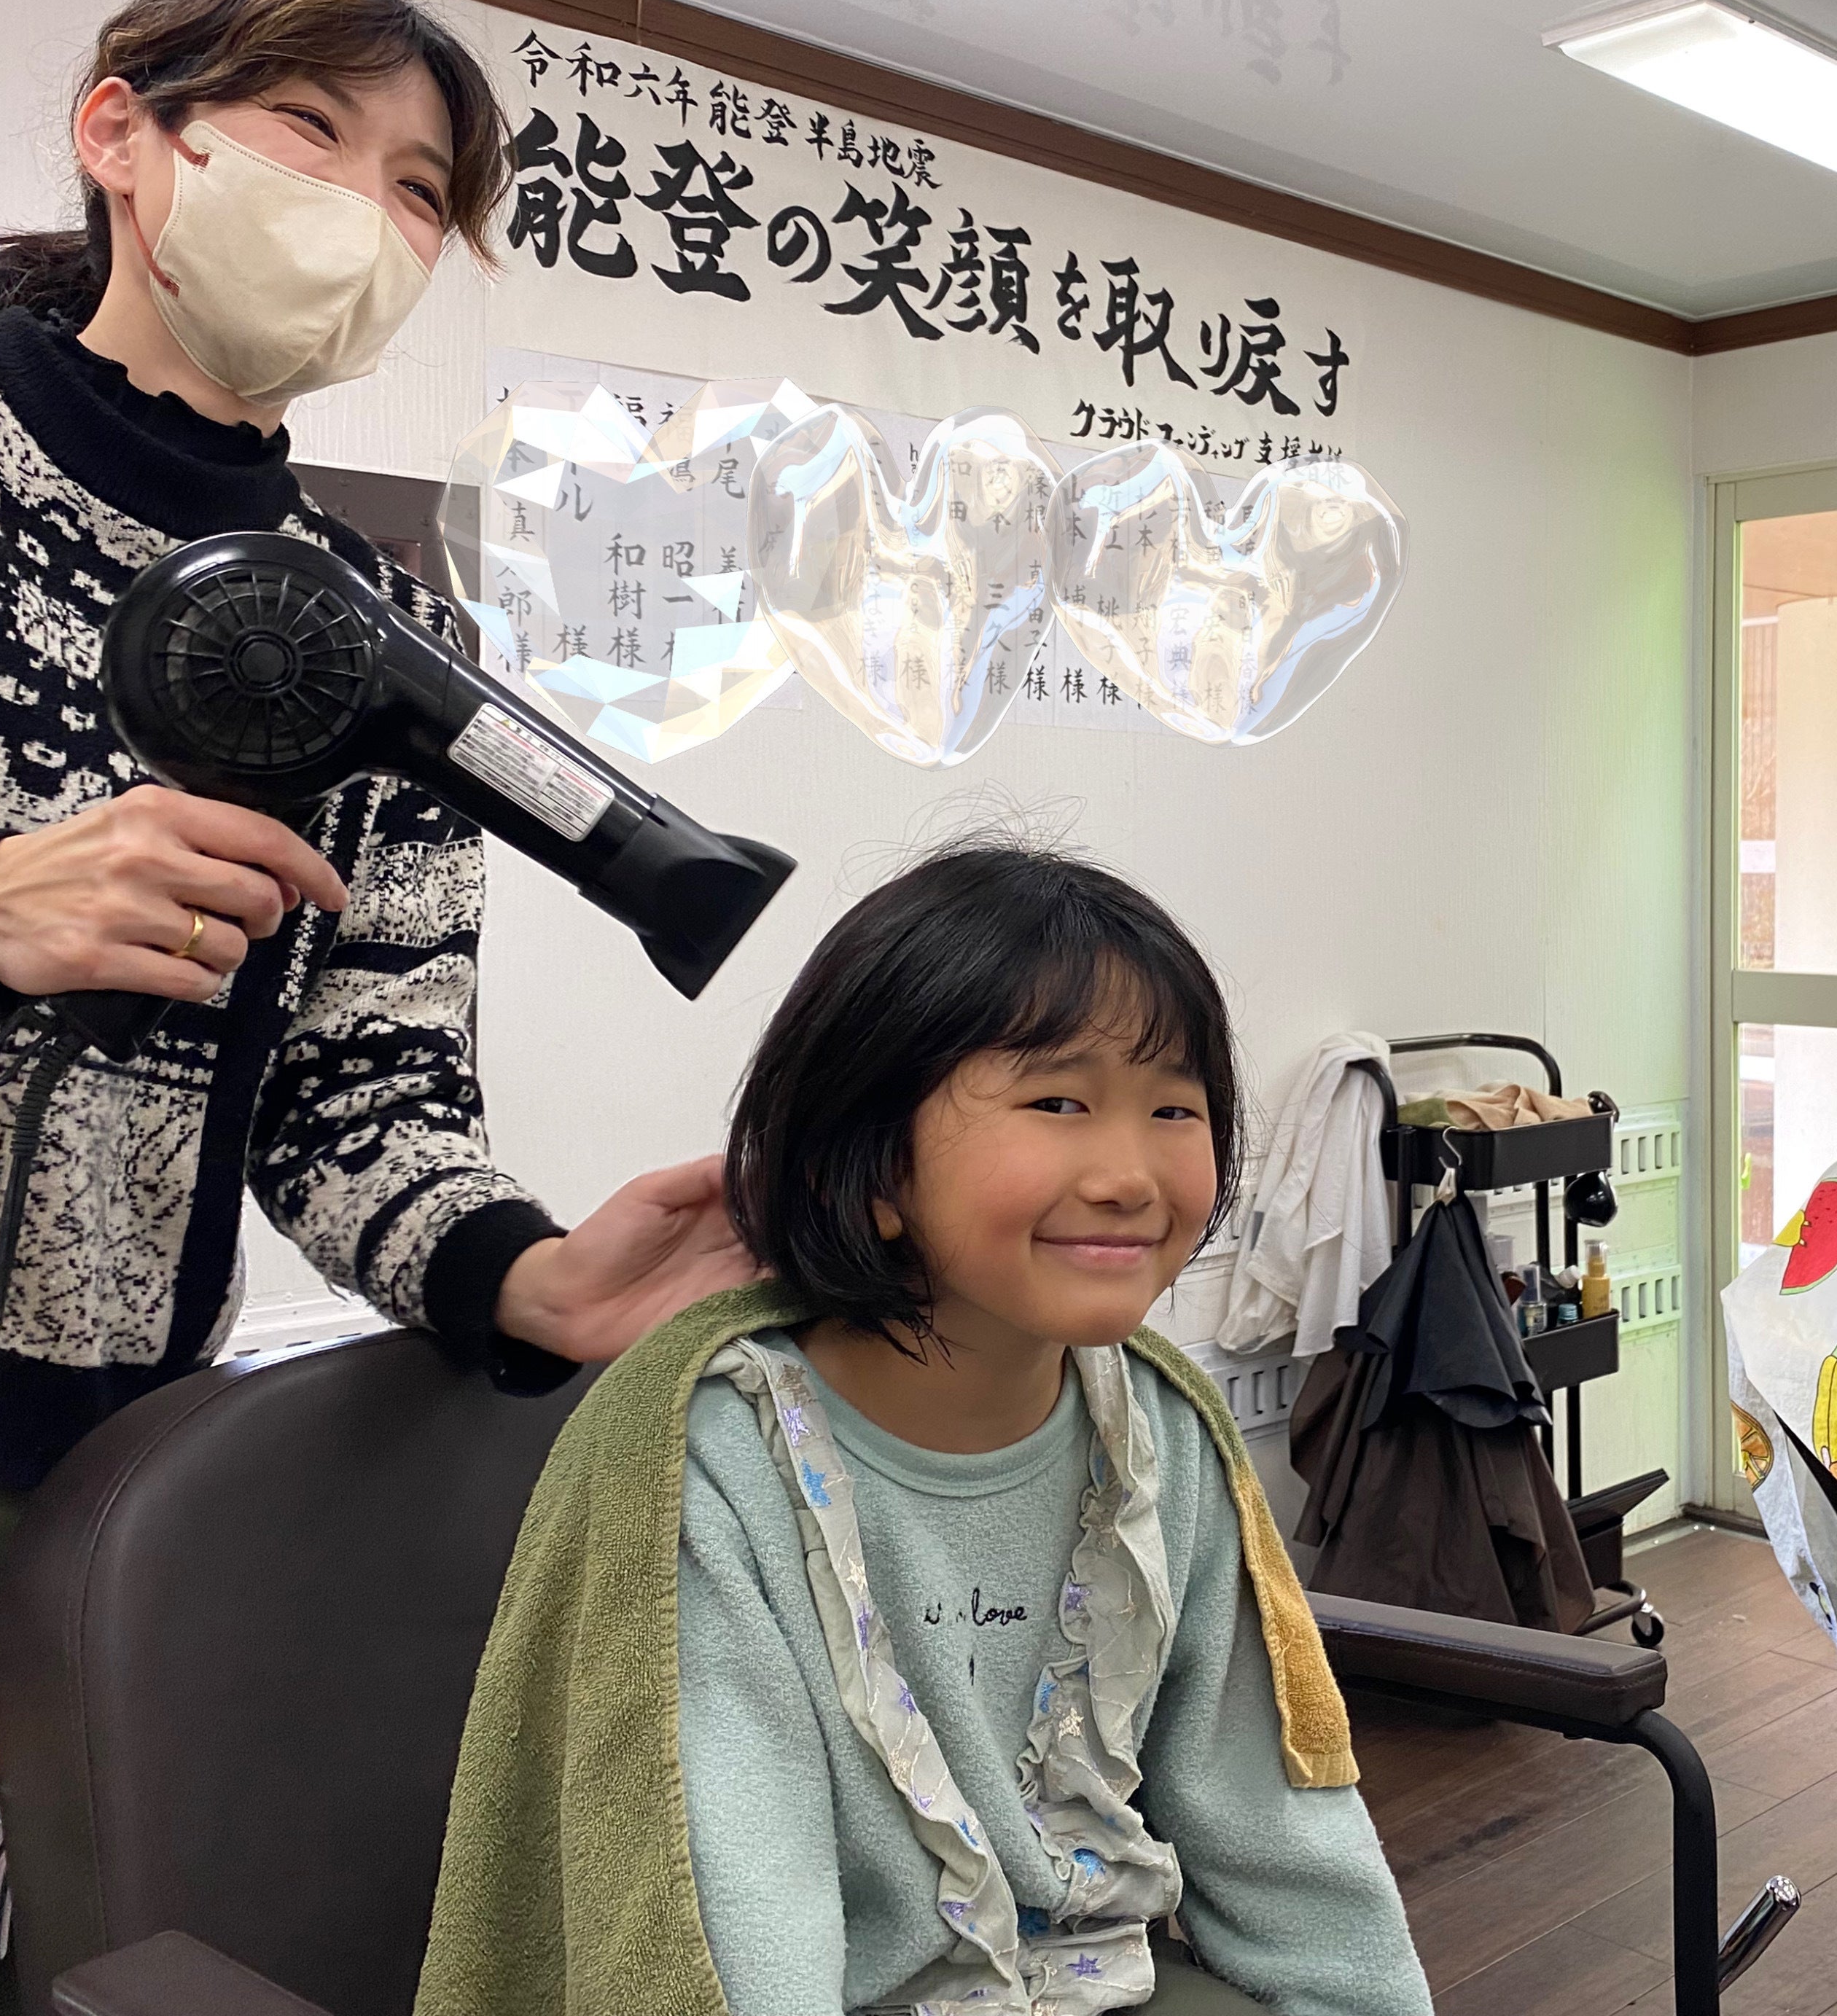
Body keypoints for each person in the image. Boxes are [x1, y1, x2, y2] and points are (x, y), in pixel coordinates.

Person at [0, 0, 756, 2012]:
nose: (366, 217)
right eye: (313, 132)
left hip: (90, 1489)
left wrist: (524, 1274)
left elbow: (364, 1098)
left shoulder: (380, 634)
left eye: (420, 191)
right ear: (122, 132)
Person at [417, 846, 1431, 2016]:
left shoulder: (1161, 1432)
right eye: (1058, 1102)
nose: (1130, 1175)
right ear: (871, 1166)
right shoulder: (723, 1461)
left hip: (1100, 1984)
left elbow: (1280, 1831)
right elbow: (737, 1915)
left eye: (1174, 1109)